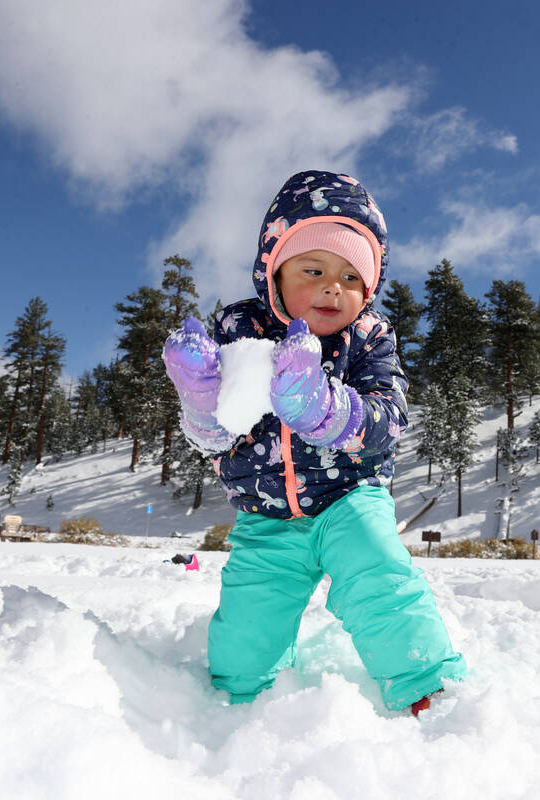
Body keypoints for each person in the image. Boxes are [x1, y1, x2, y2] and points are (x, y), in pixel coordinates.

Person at [163, 169, 465, 715]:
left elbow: (389, 418)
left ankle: (425, 683)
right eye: (315, 269)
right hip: (265, 516)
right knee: (249, 620)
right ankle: (239, 699)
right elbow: (216, 440)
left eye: (353, 277)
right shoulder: (241, 330)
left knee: (381, 580)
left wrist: (327, 411)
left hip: (350, 499)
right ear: (274, 273)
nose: (335, 286)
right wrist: (203, 405)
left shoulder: (369, 338)